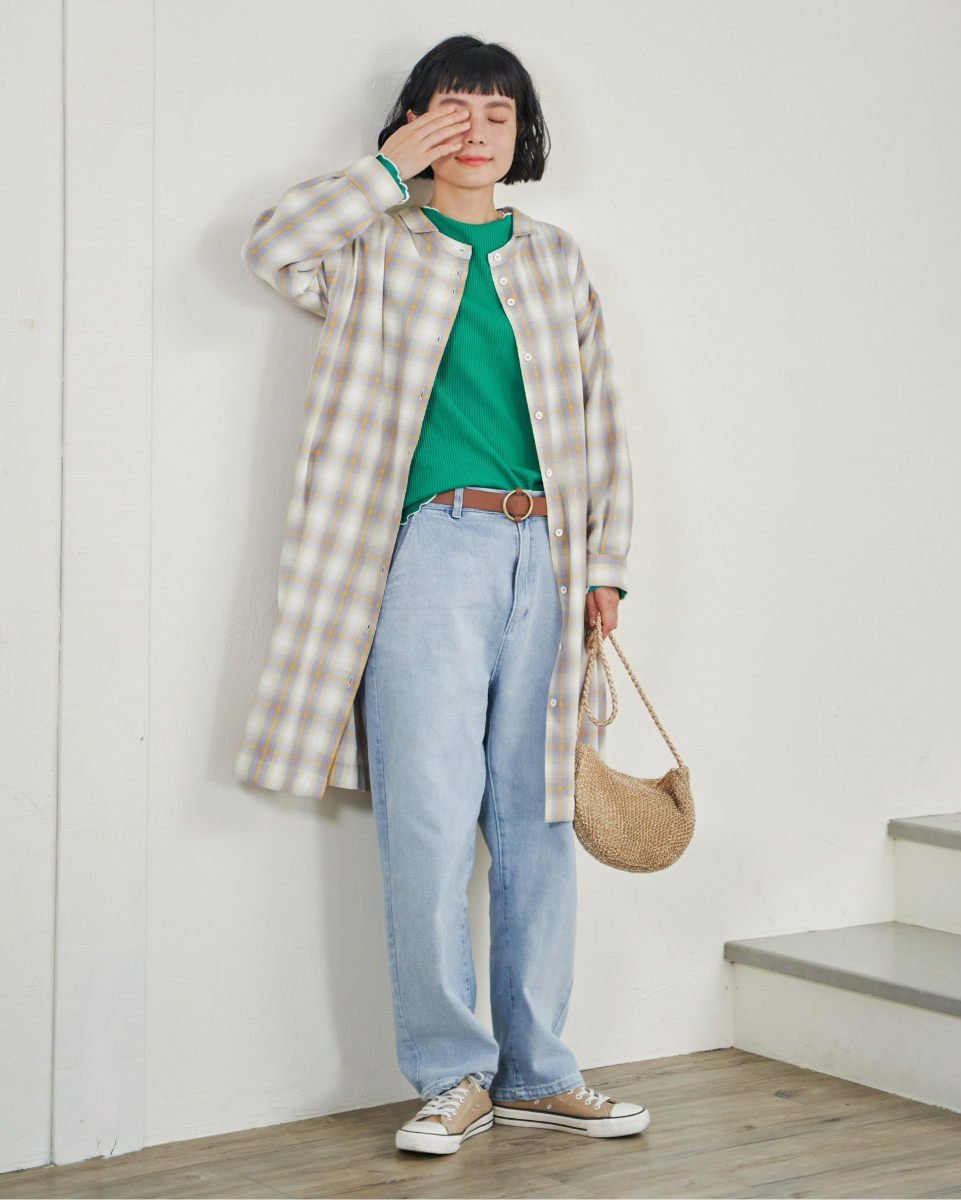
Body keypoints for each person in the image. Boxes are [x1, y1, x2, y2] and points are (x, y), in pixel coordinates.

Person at [235, 34, 645, 1155]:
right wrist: (387, 167)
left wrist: (604, 566)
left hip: (548, 555)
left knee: (539, 818)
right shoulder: (373, 246)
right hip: (428, 548)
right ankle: (452, 1073)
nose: (474, 130)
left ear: (524, 135)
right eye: (450, 110)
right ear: (414, 121)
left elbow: (600, 419)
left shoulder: (554, 259)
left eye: (496, 114)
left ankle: (540, 1072)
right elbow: (269, 247)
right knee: (425, 813)